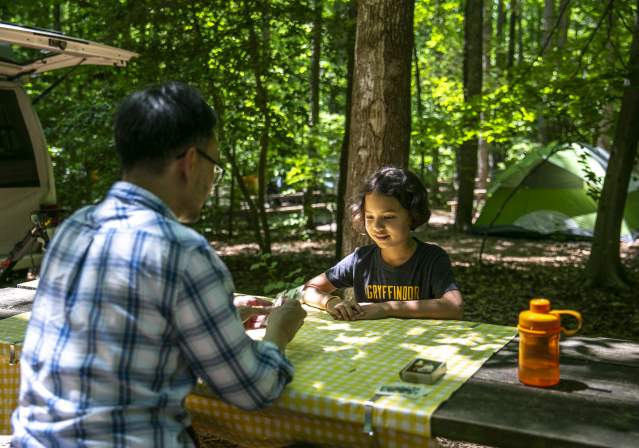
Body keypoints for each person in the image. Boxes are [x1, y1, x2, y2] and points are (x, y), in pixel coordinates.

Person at [11, 81, 306, 447]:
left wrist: (222, 313)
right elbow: (253, 390)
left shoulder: (75, 228)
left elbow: (119, 318)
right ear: (192, 161)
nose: (212, 181)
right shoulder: (183, 251)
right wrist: (279, 332)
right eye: (214, 165)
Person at [302, 166, 463, 321]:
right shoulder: (360, 260)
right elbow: (309, 289)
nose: (377, 226)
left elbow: (454, 306)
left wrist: (387, 308)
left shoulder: (432, 258)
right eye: (369, 217)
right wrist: (331, 302)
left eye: (388, 217)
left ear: (412, 215)